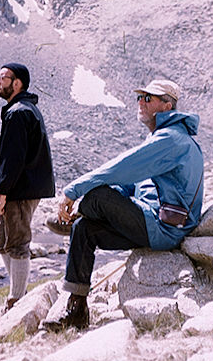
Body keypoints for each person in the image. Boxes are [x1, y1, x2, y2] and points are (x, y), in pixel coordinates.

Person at [43, 78, 203, 331]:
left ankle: (71, 218)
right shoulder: (161, 139)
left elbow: (121, 167)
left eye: (148, 98)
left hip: (164, 229)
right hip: (149, 223)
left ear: (167, 105)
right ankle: (76, 310)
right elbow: (129, 183)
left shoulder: (172, 140)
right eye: (139, 97)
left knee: (97, 195)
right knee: (85, 229)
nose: (141, 102)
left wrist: (74, 191)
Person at [0, 62, 55, 310]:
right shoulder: (21, 109)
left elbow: (13, 157)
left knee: (16, 243)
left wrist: (3, 192)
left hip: (20, 190)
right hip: (19, 188)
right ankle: (16, 292)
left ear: (16, 83)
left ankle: (16, 300)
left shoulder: (19, 112)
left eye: (3, 78)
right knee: (4, 242)